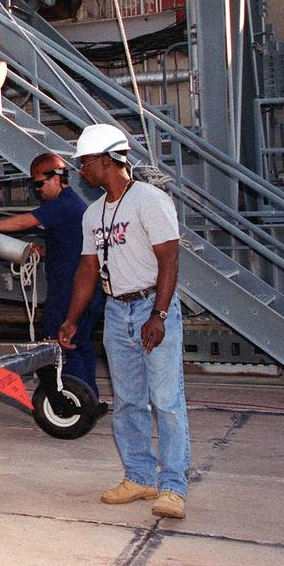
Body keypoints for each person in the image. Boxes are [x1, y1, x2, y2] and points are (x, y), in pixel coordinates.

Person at [58, 125, 189, 519]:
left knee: (165, 400)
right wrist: (72, 320)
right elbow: (87, 269)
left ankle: (172, 488)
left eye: (85, 163)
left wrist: (159, 315)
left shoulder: (150, 200)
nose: (82, 170)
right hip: (117, 311)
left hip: (152, 305)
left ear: (105, 161)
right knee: (129, 400)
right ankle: (139, 476)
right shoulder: (94, 212)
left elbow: (169, 260)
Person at [0, 152, 105, 401]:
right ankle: (88, 397)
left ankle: (70, 399)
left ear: (56, 177)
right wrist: (44, 251)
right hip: (80, 290)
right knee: (80, 345)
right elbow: (71, 244)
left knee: (63, 344)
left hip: (70, 291)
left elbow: (26, 221)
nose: (37, 190)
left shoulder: (64, 204)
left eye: (39, 183)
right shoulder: (70, 206)